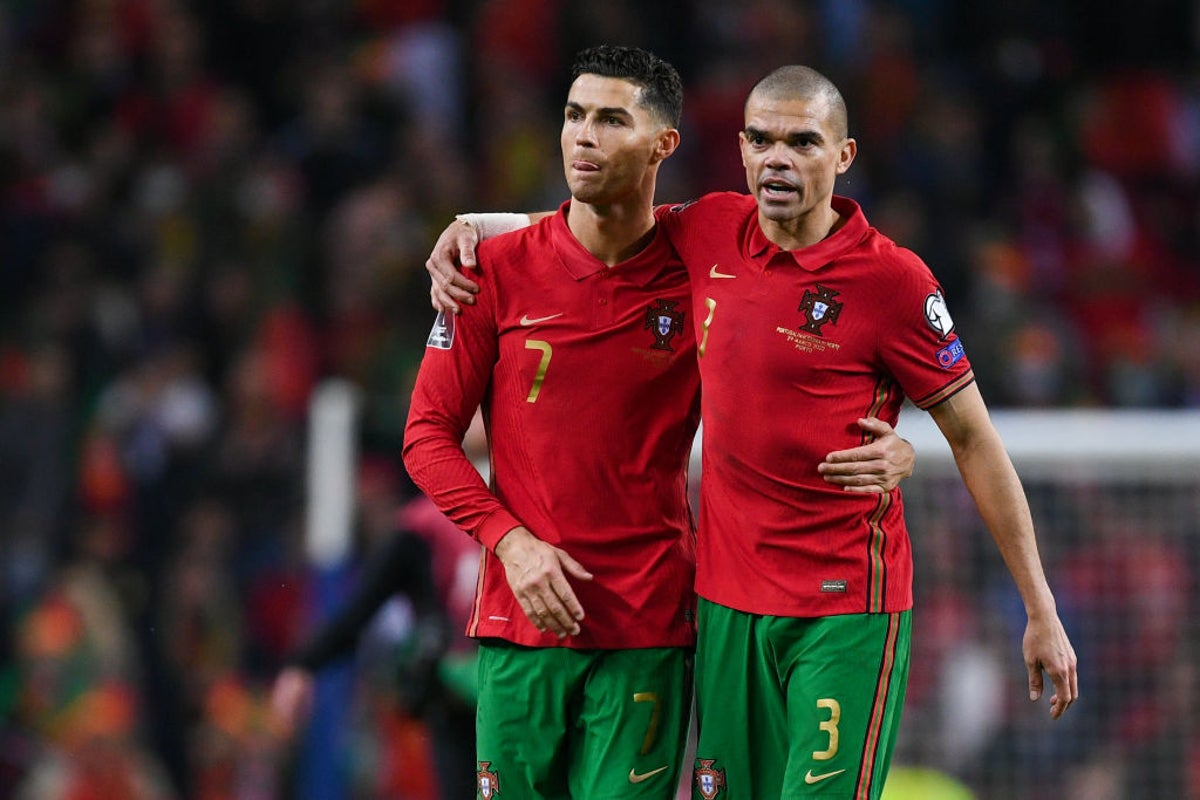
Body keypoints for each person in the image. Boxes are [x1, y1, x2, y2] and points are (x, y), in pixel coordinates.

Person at [426, 63, 1078, 800]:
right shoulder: (709, 232)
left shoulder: (893, 283)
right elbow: (599, 220)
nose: (779, 158)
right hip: (727, 603)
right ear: (739, 149)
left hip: (843, 605)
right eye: (762, 140)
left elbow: (975, 438)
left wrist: (1040, 607)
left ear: (843, 155)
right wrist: (473, 229)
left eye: (802, 141)